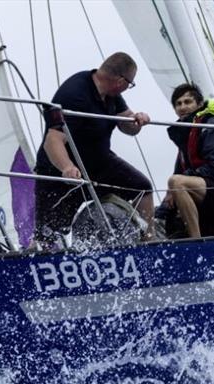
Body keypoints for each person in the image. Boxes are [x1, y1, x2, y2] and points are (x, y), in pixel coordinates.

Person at [34, 52, 154, 244]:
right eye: (130, 84)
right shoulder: (75, 94)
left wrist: (138, 119)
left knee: (143, 188)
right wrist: (66, 167)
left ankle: (149, 243)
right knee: (48, 234)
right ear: (120, 80)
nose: (127, 88)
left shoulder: (112, 95)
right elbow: (53, 139)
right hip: (62, 173)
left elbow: (127, 124)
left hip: (99, 164)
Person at [162, 83, 214, 238]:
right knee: (167, 211)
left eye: (187, 102)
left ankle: (197, 242)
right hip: (206, 195)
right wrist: (162, 210)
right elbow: (178, 173)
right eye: (178, 104)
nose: (182, 107)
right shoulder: (185, 138)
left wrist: (179, 182)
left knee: (177, 183)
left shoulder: (213, 127)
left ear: (200, 104)